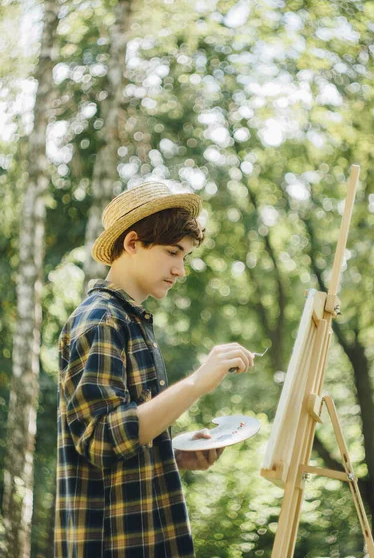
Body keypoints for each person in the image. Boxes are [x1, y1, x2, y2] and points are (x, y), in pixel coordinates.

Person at [55, 181, 254, 558]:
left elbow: (123, 441)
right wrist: (196, 383)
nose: (180, 270)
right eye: (172, 253)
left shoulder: (130, 321)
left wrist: (172, 452)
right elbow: (101, 439)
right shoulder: (101, 321)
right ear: (132, 243)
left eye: (186, 257)